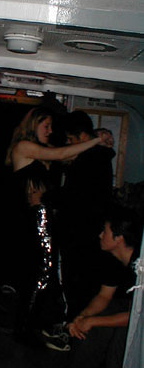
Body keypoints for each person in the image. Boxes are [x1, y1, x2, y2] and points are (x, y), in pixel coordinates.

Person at [5, 107, 112, 346]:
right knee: (40, 271)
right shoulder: (23, 146)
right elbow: (64, 153)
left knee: (44, 271)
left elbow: (70, 155)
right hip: (31, 218)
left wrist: (100, 136)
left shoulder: (44, 150)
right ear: (34, 125)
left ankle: (31, 324)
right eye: (46, 126)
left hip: (45, 217)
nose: (51, 130)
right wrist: (96, 139)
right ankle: (24, 328)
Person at [51, 206, 143, 368]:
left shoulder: (140, 264)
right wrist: (83, 318)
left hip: (138, 319)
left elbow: (135, 318)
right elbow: (104, 296)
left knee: (120, 340)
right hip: (129, 311)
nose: (100, 235)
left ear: (119, 238)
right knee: (100, 313)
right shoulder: (113, 260)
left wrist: (93, 321)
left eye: (105, 231)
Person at [57, 111, 116, 321]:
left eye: (70, 139)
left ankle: (75, 324)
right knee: (85, 282)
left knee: (77, 282)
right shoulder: (100, 156)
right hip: (91, 230)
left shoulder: (89, 159)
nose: (68, 144)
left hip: (80, 231)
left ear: (82, 137)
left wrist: (45, 196)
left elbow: (73, 196)